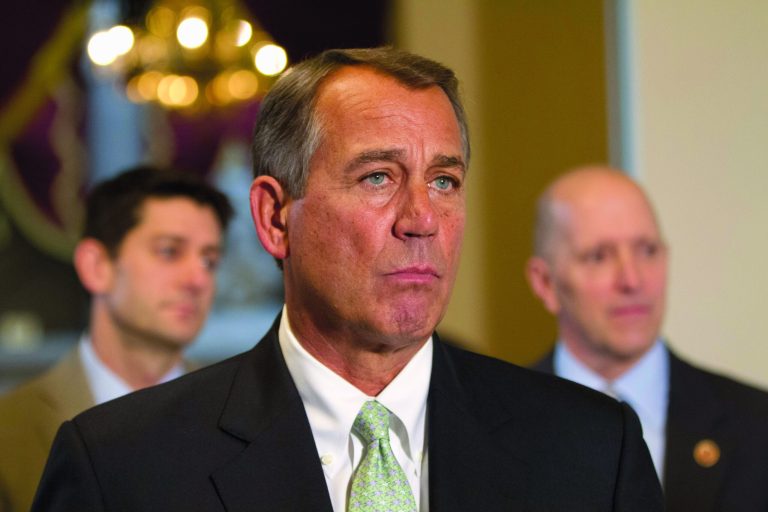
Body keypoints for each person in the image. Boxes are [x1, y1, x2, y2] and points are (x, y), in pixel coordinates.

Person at [31, 48, 662, 512]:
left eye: (444, 181)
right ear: (275, 218)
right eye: (378, 178)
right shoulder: (120, 468)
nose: (421, 219)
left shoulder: (593, 449)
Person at [526, 165, 768, 511]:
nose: (632, 280)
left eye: (647, 251)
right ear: (545, 283)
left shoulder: (757, 428)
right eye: (599, 256)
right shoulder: (489, 429)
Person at [0, 166, 233, 512]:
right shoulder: (10, 428)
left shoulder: (239, 413)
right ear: (97, 266)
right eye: (169, 251)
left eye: (209, 260)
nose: (197, 279)